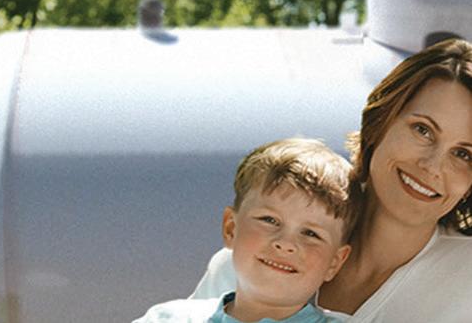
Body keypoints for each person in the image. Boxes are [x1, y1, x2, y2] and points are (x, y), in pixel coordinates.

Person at [190, 38, 472, 321]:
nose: (432, 167)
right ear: (381, 121)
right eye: (422, 130)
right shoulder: (243, 261)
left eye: (463, 154)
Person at [133, 137, 359, 322]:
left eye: (311, 233)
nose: (285, 244)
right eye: (270, 220)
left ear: (335, 262)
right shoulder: (167, 318)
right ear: (231, 229)